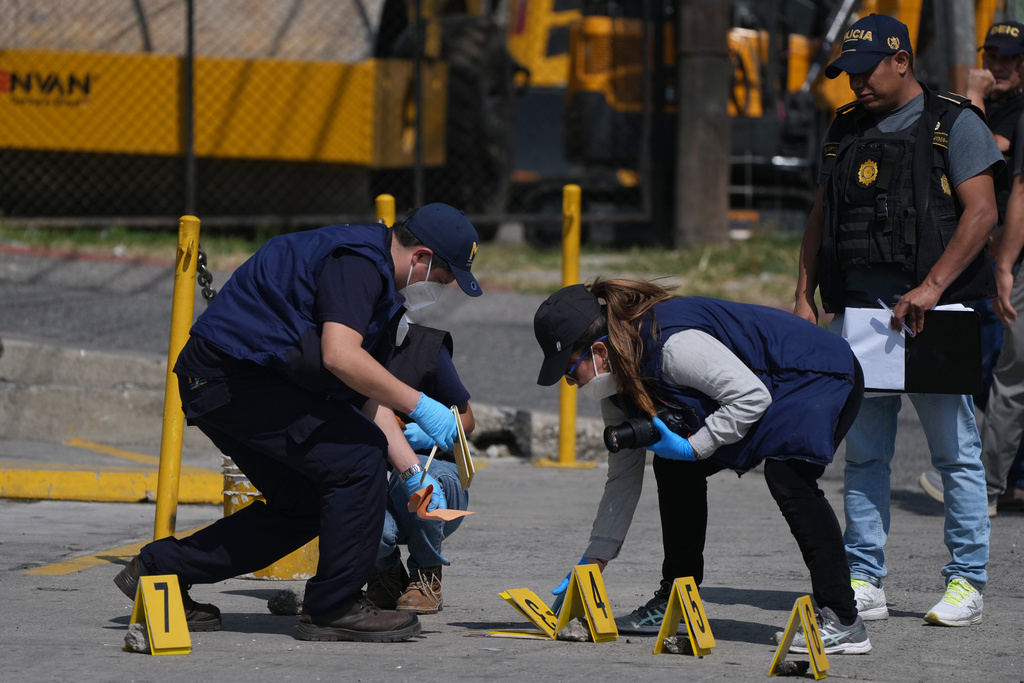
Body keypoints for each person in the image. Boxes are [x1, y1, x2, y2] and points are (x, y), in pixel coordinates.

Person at [113, 203, 483, 642]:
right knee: (358, 457)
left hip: (232, 381)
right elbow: (340, 356)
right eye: (443, 279)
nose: (441, 289)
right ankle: (334, 606)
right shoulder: (359, 264)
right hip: (229, 379)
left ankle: (160, 570)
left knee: (304, 505)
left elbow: (365, 394)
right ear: (421, 257)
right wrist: (423, 405)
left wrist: (412, 473)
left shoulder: (377, 281)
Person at [793, 13, 1000, 627]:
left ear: (902, 60)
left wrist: (932, 288)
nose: (854, 82)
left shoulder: (955, 124)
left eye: (864, 70)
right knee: (864, 455)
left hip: (937, 315)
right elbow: (820, 215)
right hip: (863, 317)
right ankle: (864, 578)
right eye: (846, 72)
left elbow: (982, 213)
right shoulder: (843, 129)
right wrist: (805, 295)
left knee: (955, 455)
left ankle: (967, 582)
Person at [534, 279, 870, 655]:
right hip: (767, 383)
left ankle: (843, 620)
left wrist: (696, 447)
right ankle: (676, 602)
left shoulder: (673, 347)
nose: (572, 384)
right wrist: (592, 563)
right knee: (673, 467)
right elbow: (622, 479)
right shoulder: (616, 384)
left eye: (569, 372)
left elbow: (750, 397)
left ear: (598, 350)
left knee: (788, 475)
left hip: (815, 373)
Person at [918, 20, 1024, 505]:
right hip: (989, 258)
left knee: (1004, 371)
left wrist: (970, 93)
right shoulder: (999, 107)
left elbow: (981, 153)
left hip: (1006, 257)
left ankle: (989, 481)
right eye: (992, 55)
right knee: (992, 371)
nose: (997, 65)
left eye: (1009, 58)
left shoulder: (1014, 110)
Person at [366, 322, 474, 614]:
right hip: (374, 477)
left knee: (420, 479)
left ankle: (427, 573)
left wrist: (424, 433)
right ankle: (384, 571)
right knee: (349, 492)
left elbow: (467, 420)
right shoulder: (340, 349)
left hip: (434, 480)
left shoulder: (426, 348)